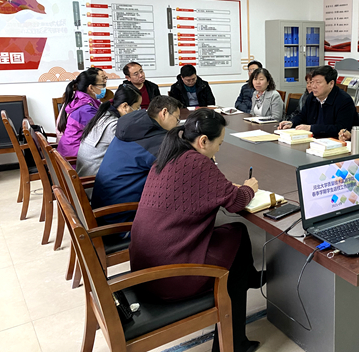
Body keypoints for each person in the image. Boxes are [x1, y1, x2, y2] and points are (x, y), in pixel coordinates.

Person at [129, 109, 262, 352]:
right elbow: (235, 202)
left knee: (236, 234)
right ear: (203, 141)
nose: (218, 149)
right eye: (219, 144)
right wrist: (249, 187)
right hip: (169, 277)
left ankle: (248, 282)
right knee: (237, 250)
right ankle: (233, 343)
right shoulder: (198, 163)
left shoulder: (168, 155)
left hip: (145, 268)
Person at [90, 96, 183, 225]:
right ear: (164, 112)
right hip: (120, 220)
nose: (177, 125)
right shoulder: (156, 143)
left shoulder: (131, 127)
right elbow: (178, 172)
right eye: (177, 119)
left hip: (103, 209)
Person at [76, 84, 142, 178]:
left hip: (87, 175)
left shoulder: (104, 115)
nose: (138, 111)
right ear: (125, 106)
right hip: (92, 181)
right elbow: (131, 153)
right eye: (137, 107)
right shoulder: (114, 125)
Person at [277, 65, 359, 138]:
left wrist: (311, 128)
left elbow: (340, 129)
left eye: (318, 83)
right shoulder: (312, 97)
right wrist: (291, 122)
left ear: (331, 84)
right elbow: (302, 116)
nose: (313, 86)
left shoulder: (344, 100)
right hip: (313, 140)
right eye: (312, 82)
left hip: (334, 143)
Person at [56, 68, 105, 158]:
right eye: (102, 84)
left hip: (68, 151)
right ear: (91, 88)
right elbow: (105, 130)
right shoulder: (85, 109)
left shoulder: (79, 100)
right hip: (74, 158)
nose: (104, 87)